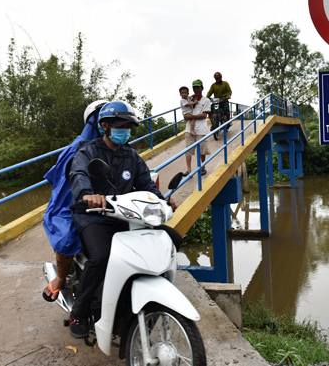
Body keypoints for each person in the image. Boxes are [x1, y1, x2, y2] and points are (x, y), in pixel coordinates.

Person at [67, 100, 183, 338]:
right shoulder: (88, 151)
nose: (125, 130)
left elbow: (146, 184)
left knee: (173, 238)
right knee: (101, 256)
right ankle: (77, 314)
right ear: (105, 126)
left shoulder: (132, 155)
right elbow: (78, 174)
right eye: (121, 125)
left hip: (125, 215)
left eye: (129, 126)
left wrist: (163, 201)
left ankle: (139, 292)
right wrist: (87, 195)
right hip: (93, 216)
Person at [42, 99, 107, 302]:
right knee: (67, 233)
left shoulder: (114, 147)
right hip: (70, 202)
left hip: (105, 205)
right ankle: (61, 277)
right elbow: (63, 187)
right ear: (96, 122)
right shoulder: (77, 150)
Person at [184, 79, 211, 175]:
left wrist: (191, 117)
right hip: (189, 129)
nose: (196, 89)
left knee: (202, 150)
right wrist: (189, 117)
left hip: (201, 129)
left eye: (198, 87)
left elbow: (204, 116)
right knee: (188, 150)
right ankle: (188, 170)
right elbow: (185, 115)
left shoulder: (206, 100)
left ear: (202, 88)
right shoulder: (189, 100)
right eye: (194, 88)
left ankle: (202, 167)